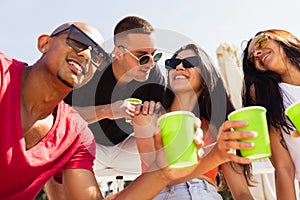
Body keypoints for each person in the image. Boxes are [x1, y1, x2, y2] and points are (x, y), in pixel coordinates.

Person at [132, 44, 254, 199]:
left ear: (206, 74)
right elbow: (155, 177)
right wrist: (214, 155)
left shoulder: (216, 127)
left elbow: (241, 192)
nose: (179, 67)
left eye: (189, 62)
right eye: (173, 64)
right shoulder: (149, 116)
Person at [63, 16, 165, 179]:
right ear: (118, 52)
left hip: (127, 150)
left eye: (155, 55)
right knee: (56, 154)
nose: (151, 63)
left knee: (171, 152)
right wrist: (107, 111)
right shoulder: (91, 70)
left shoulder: (153, 75)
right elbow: (60, 118)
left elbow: (164, 117)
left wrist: (153, 117)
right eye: (142, 56)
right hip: (87, 149)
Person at [241, 29, 300, 200]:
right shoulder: (271, 98)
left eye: (260, 43)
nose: (257, 53)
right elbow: (283, 168)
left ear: (281, 38)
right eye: (253, 59)